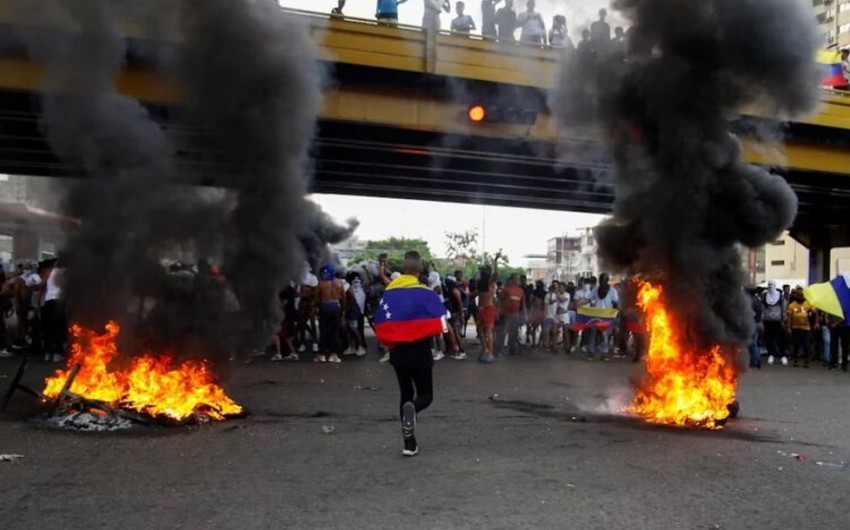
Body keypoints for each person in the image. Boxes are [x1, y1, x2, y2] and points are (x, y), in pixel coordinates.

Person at [373, 251, 447, 457]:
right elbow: (442, 322)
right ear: (420, 270)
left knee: (405, 394)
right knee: (425, 395)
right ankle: (413, 410)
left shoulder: (390, 292)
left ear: (404, 269)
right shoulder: (426, 292)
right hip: (420, 352)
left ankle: (409, 443)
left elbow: (379, 319)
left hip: (398, 354)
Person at [315, 264, 344, 363]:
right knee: (334, 332)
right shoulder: (339, 283)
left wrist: (318, 307)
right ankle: (334, 355)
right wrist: (342, 310)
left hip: (324, 308)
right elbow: (343, 297)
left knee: (323, 332)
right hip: (335, 307)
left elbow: (317, 298)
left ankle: (321, 355)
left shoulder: (321, 284)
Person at [586, 273, 618, 360]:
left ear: (607, 281)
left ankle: (605, 353)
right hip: (595, 315)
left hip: (606, 316)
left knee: (605, 335)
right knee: (592, 334)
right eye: (601, 280)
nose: (602, 282)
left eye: (604, 280)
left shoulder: (612, 291)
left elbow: (616, 302)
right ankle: (591, 353)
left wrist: (615, 313)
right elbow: (588, 298)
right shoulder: (595, 290)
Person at [477, 253, 500, 362]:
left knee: (488, 331)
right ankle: (485, 349)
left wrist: (495, 260)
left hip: (488, 308)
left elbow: (496, 273)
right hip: (481, 309)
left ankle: (490, 352)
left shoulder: (490, 282)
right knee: (480, 330)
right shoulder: (480, 283)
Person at [786, 287, 814, 368]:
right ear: (796, 295)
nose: (800, 297)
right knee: (796, 345)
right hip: (795, 328)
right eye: (798, 295)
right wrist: (788, 327)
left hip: (806, 328)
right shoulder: (791, 305)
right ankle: (795, 360)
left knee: (806, 345)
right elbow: (789, 317)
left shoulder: (808, 304)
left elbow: (814, 313)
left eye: (801, 295)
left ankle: (806, 361)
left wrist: (816, 322)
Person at [497, 274, 525, 356]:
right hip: (505, 314)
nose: (518, 280)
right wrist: (498, 312)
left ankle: (512, 350)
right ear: (512, 280)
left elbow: (522, 303)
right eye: (516, 278)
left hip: (515, 315)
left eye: (518, 279)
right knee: (503, 333)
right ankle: (499, 350)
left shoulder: (520, 290)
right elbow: (500, 300)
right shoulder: (506, 289)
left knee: (513, 334)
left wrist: (525, 313)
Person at [762, 280, 786, 366]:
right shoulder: (765, 296)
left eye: (772, 285)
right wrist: (762, 320)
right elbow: (763, 309)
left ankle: (782, 355)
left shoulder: (780, 296)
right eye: (769, 285)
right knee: (769, 339)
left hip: (777, 321)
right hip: (767, 321)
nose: (770, 286)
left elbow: (783, 309)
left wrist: (783, 319)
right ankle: (771, 355)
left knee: (780, 339)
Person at [343, 274, 368, 357]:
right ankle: (351, 347)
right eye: (354, 280)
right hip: (350, 311)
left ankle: (361, 347)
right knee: (347, 329)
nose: (356, 281)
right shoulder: (349, 288)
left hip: (356, 312)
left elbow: (352, 300)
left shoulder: (362, 288)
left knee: (355, 329)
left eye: (358, 280)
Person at [747, 286, 764, 369]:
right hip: (759, 323)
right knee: (756, 344)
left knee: (752, 345)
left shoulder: (750, 301)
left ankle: (754, 363)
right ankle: (758, 361)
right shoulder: (758, 299)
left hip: (753, 324)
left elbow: (750, 314)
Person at [554, 281, 571, 353]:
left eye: (560, 287)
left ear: (564, 287)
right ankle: (555, 347)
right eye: (558, 287)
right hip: (557, 315)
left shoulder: (567, 294)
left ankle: (567, 347)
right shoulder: (555, 295)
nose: (559, 288)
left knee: (566, 332)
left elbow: (562, 299)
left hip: (564, 315)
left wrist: (556, 293)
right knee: (554, 331)